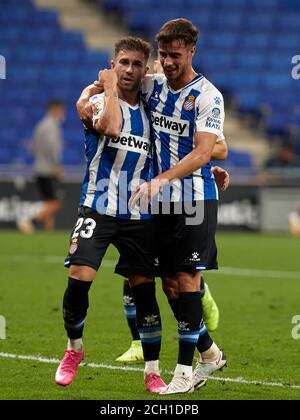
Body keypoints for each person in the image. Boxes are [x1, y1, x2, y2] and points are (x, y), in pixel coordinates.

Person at [78, 19, 229, 394]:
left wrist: (197, 166)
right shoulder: (152, 84)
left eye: (175, 55)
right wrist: (85, 99)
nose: (168, 62)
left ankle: (182, 374)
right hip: (156, 202)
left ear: (192, 51)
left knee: (189, 280)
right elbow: (109, 78)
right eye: (163, 55)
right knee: (171, 287)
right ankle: (209, 352)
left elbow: (210, 147)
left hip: (193, 199)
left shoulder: (208, 95)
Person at [55, 37, 167, 394]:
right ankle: (74, 349)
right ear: (112, 65)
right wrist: (108, 86)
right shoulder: (97, 100)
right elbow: (111, 128)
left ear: (145, 68)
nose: (130, 70)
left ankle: (152, 370)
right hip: (97, 207)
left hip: (137, 214)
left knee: (145, 292)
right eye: (123, 63)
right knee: (78, 280)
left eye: (137, 64)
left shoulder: (151, 109)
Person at [17, 100, 65, 232]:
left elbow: (32, 148)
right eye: (62, 111)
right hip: (48, 170)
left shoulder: (40, 125)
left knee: (48, 201)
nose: (63, 114)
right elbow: (52, 148)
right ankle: (29, 220)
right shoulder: (52, 126)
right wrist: (56, 165)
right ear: (56, 110)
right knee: (56, 203)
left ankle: (47, 231)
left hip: (38, 168)